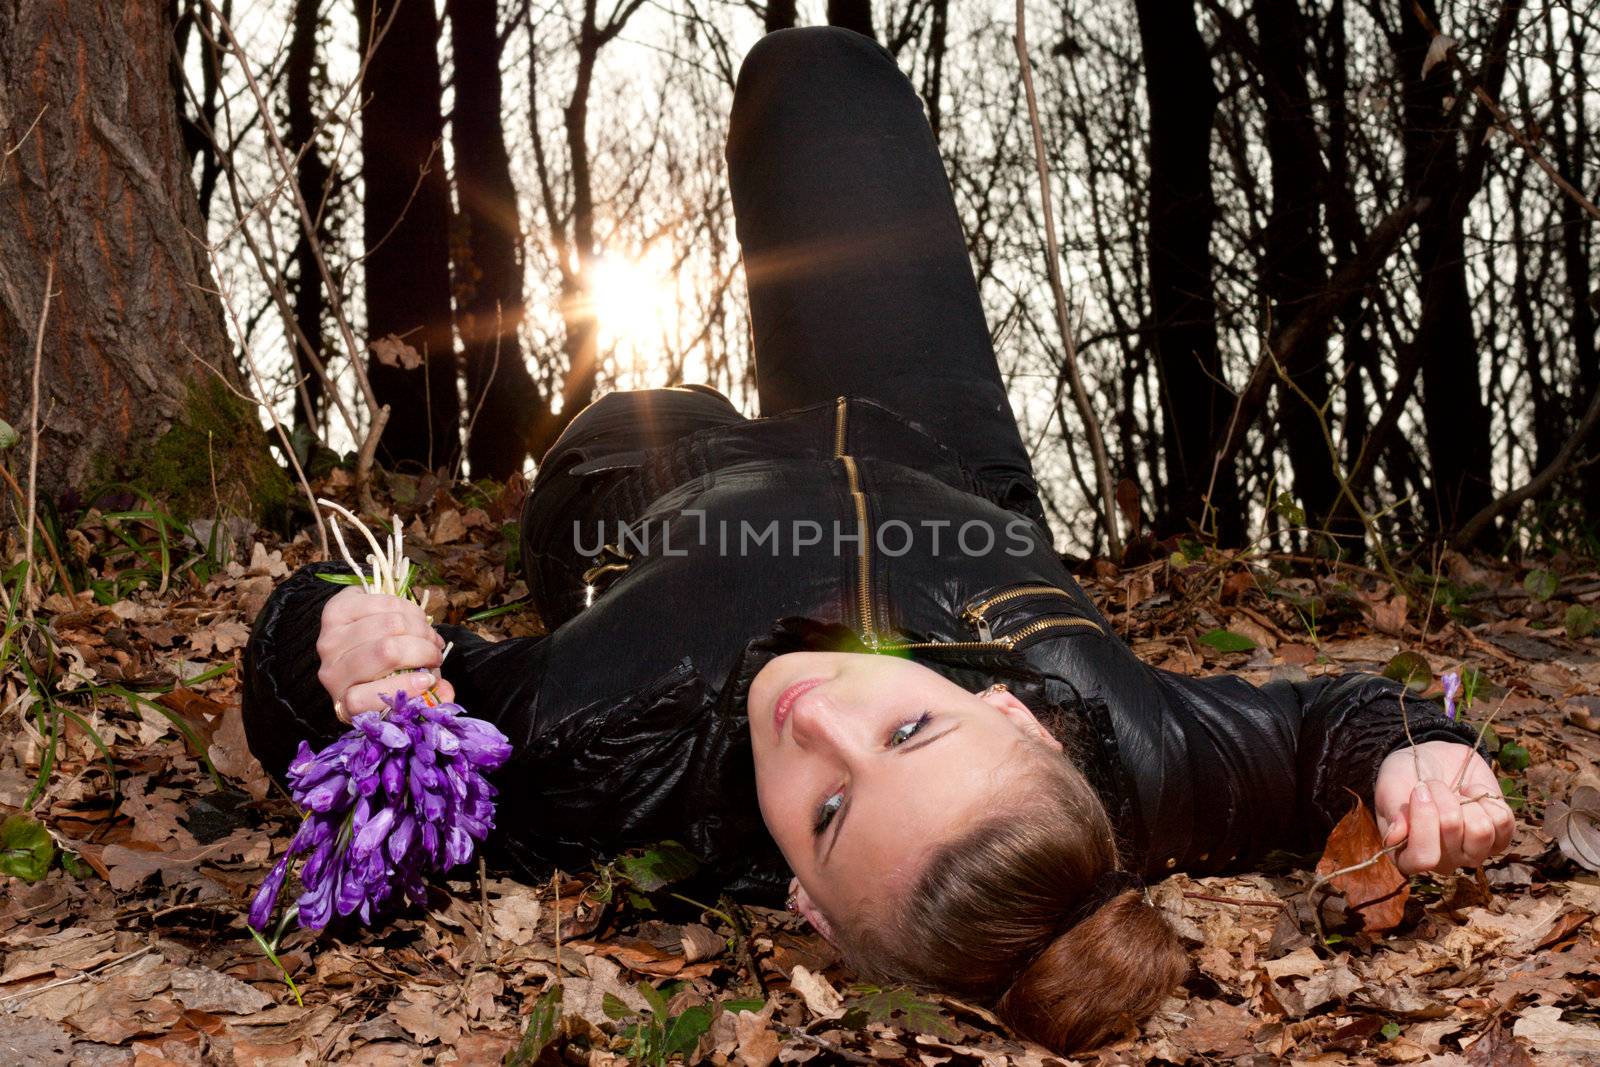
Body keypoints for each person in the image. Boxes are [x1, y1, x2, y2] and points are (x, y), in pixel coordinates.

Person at [241, 26, 1514, 1053]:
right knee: (816, 75)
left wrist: (326, 641)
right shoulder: (1138, 743)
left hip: (658, 464)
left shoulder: (594, 756)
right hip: (932, 443)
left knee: (622, 417)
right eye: (914, 729)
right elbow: (1312, 731)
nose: (818, 721)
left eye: (833, 813)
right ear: (1022, 724)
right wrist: (1418, 750)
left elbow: (369, 732)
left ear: (809, 907)